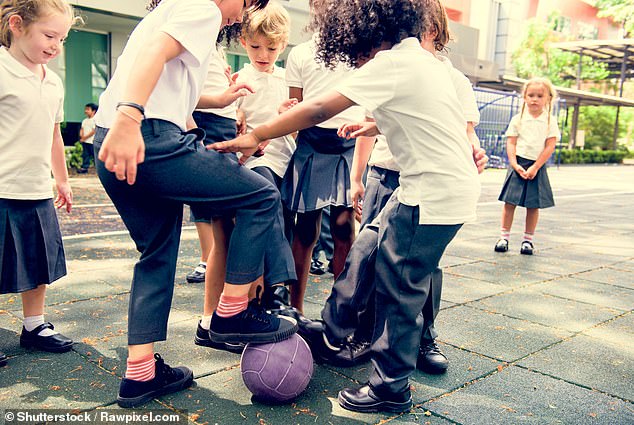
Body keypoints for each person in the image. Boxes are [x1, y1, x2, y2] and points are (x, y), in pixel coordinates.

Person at [211, 0, 481, 413]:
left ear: (368, 34)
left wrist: (258, 133)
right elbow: (427, 113)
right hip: (427, 187)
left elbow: (318, 108)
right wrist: (374, 124)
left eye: (353, 47)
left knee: (400, 286)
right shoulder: (421, 61)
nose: (353, 57)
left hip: (433, 195)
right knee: (366, 246)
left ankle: (391, 386)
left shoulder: (391, 63)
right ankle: (333, 333)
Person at [92, 0, 297, 408]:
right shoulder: (201, 6)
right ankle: (231, 313)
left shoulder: (167, 10)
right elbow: (153, 61)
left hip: (114, 138)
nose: (241, 15)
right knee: (261, 195)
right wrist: (131, 120)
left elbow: (161, 83)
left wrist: (218, 101)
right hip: (145, 137)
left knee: (156, 253)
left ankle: (140, 374)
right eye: (245, 4)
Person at [315, 0, 487, 373]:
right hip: (397, 178)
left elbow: (457, 126)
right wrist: (364, 156)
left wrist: (261, 132)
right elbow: (410, 110)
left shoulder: (431, 71)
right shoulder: (411, 66)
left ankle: (399, 370)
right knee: (370, 254)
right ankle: (339, 330)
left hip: (427, 187)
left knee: (405, 280)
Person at [0, 0, 77, 367]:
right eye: (49, 35)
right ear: (16, 25)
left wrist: (61, 179)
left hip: (36, 187)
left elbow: (53, 134)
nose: (55, 45)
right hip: (2, 187)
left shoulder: (54, 81)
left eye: (61, 38)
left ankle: (34, 326)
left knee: (37, 261)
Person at [282, 2, 368, 312]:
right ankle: (296, 309)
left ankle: (339, 313)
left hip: (350, 144)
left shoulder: (361, 48)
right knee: (305, 228)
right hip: (312, 142)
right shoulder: (300, 53)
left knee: (345, 227)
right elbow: (295, 108)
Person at [186, 27, 243, 285]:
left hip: (224, 120)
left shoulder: (216, 44)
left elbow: (223, 92)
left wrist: (235, 109)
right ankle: (208, 257)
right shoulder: (193, 33)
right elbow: (183, 92)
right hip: (204, 119)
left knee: (224, 201)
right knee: (203, 197)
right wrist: (220, 101)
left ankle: (219, 258)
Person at [494, 77, 559, 255]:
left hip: (536, 166)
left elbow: (550, 146)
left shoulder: (549, 121)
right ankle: (503, 237)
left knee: (533, 205)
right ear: (524, 96)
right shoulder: (518, 119)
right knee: (509, 203)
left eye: (539, 95)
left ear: (548, 98)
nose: (534, 99)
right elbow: (511, 143)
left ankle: (527, 240)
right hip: (518, 164)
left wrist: (536, 166)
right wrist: (514, 163)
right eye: (531, 95)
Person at [77, 102, 98, 173]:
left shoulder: (95, 120)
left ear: (93, 111)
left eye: (88, 109)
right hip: (85, 142)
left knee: (95, 156)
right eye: (85, 109)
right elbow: (82, 129)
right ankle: (84, 168)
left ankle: (99, 169)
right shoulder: (84, 121)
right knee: (85, 155)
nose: (86, 111)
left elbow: (93, 131)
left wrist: (84, 138)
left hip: (92, 141)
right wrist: (82, 136)